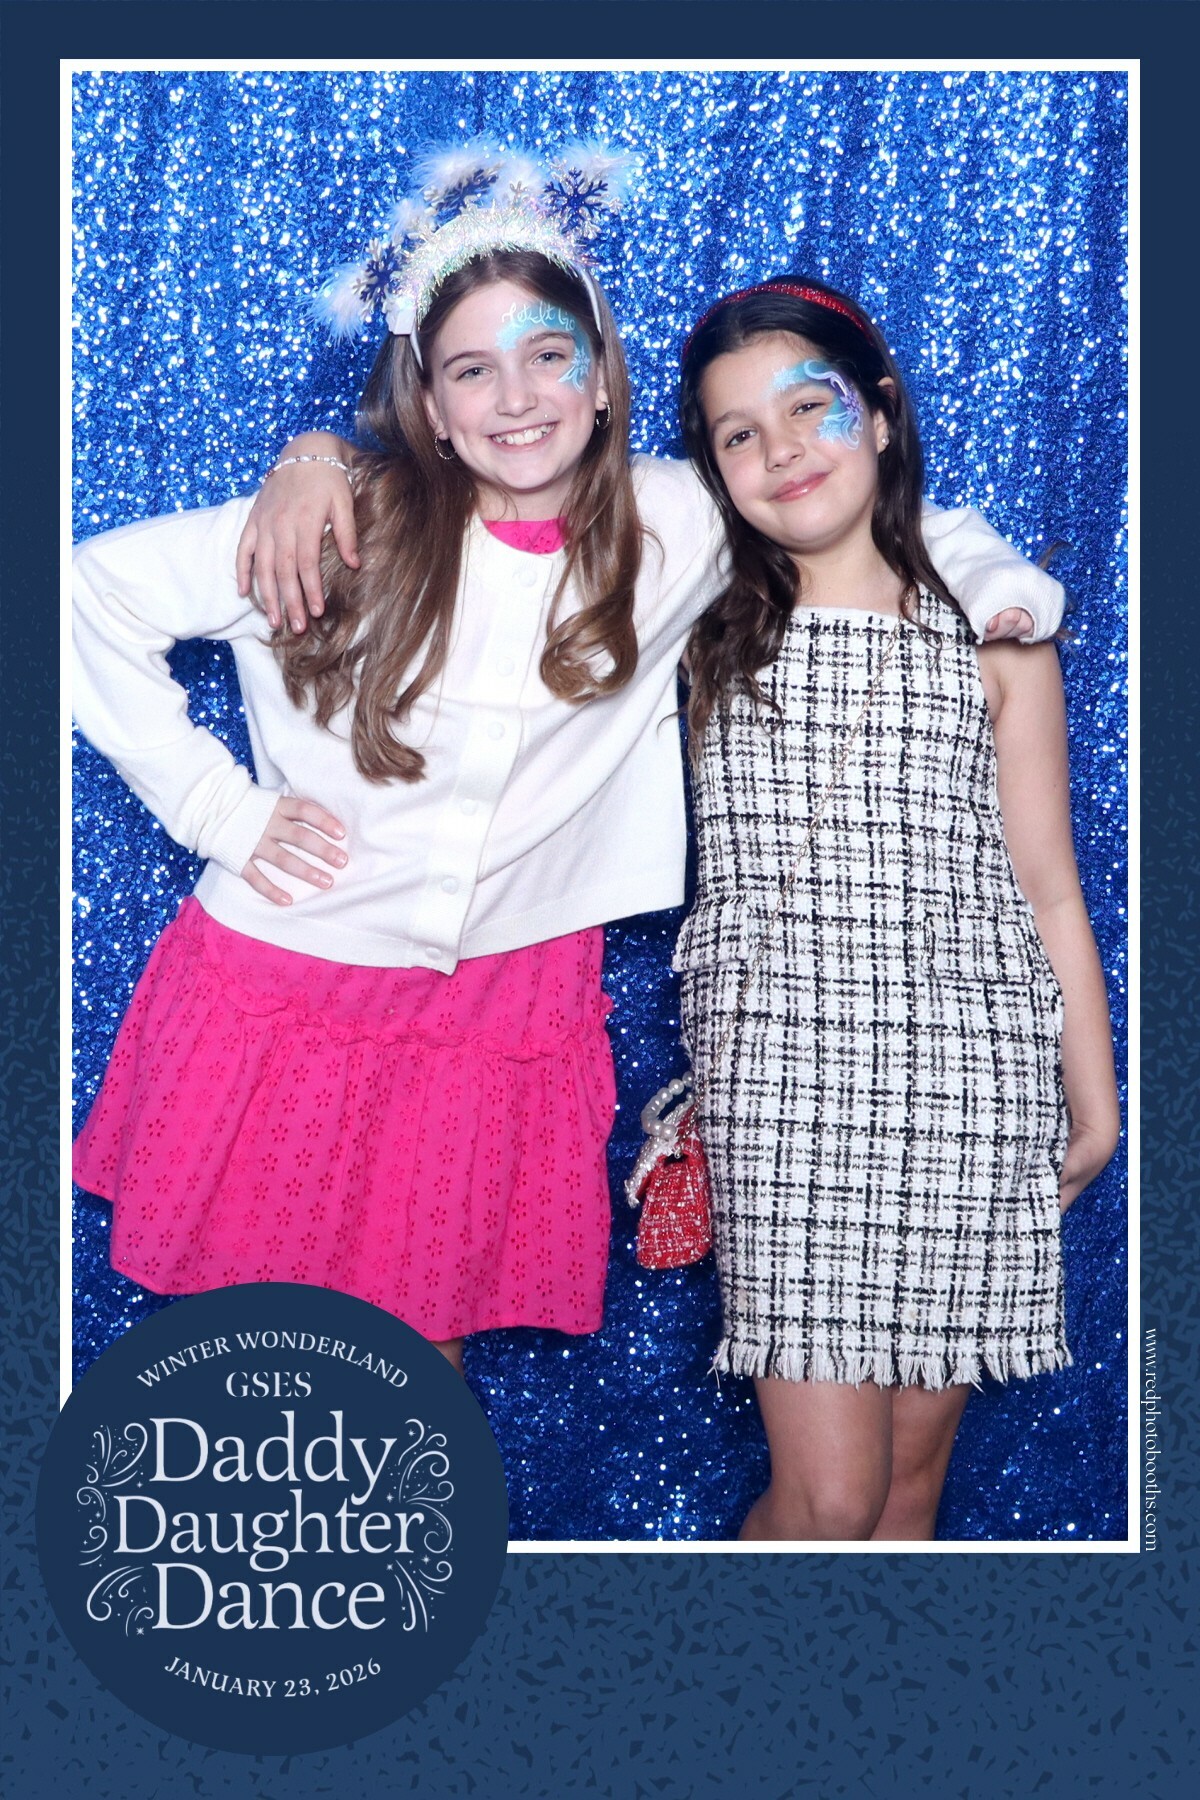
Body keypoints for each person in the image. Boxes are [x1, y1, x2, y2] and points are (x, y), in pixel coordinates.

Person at [73, 147, 1064, 1386]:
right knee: (268, 1355)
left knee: (417, 1365)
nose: (517, 397)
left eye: (549, 355)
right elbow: (86, 594)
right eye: (472, 371)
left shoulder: (675, 523)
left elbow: (878, 518)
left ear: (599, 378)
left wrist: (1003, 591)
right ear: (432, 407)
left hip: (496, 1008)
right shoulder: (341, 522)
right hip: (289, 983)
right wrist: (216, 807)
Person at [671, 276, 1120, 1541]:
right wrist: (325, 455)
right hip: (783, 1076)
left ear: (877, 414)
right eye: (739, 435)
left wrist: (1096, 1097)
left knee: (909, 1493)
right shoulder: (698, 630)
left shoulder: (994, 630)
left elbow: (1048, 882)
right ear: (713, 472)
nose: (782, 451)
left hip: (973, 1075)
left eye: (808, 408)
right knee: (831, 1499)